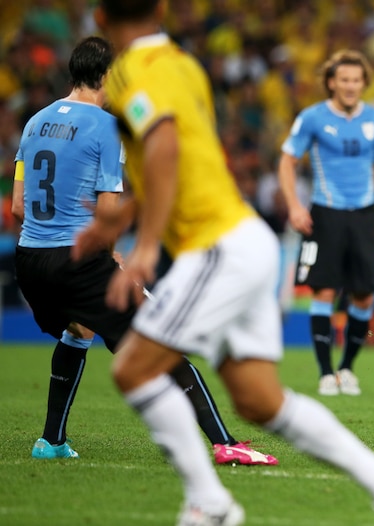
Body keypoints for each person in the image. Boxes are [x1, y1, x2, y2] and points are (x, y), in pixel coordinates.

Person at [79, 2, 374, 525]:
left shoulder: (129, 73)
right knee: (260, 401)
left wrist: (143, 243)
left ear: (101, 16)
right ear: (163, 9)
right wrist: (123, 216)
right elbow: (183, 158)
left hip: (217, 246)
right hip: (243, 239)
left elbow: (164, 148)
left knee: (133, 369)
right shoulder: (184, 64)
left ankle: (210, 503)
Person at [10, 35, 275, 466]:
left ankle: (51, 441)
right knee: (164, 338)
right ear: (108, 76)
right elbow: (109, 208)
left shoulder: (34, 122)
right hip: (77, 260)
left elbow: (18, 206)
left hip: (30, 259)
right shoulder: (106, 127)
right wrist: (110, 257)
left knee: (78, 329)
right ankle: (225, 443)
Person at [277, 49, 374, 397]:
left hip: (364, 213)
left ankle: (347, 368)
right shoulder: (312, 118)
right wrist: (295, 207)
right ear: (331, 82)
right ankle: (326, 372)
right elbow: (287, 162)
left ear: (363, 84)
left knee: (362, 295)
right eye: (343, 79)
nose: (349, 86)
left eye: (355, 80)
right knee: (324, 291)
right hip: (325, 212)